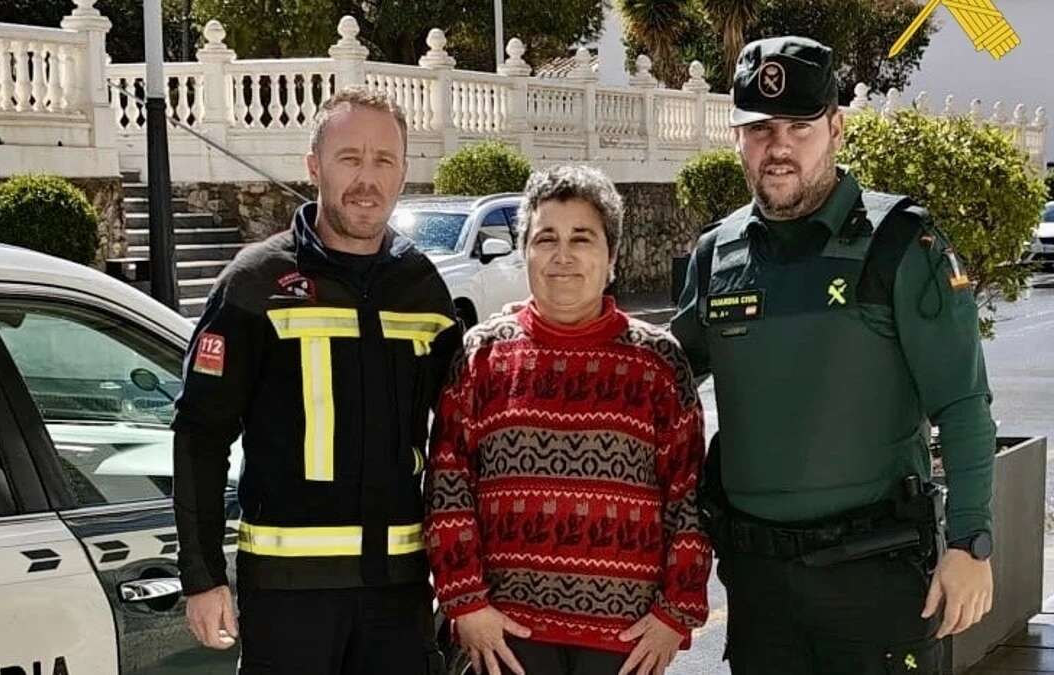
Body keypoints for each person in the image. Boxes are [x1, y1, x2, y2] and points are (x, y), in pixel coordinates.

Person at [671, 36, 996, 674]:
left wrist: (970, 541)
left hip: (875, 579)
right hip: (760, 587)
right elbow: (660, 379)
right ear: (737, 138)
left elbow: (962, 405)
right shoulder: (718, 254)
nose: (780, 146)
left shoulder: (901, 244)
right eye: (760, 128)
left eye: (800, 125)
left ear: (837, 128)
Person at [171, 87, 461, 675]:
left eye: (384, 160)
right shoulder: (254, 282)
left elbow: (462, 440)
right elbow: (201, 433)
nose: (367, 178)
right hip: (287, 600)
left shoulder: (421, 286)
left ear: (404, 172)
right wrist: (202, 578)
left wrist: (467, 582)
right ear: (313, 167)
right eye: (349, 157)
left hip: (399, 594)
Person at [426, 165, 710, 675]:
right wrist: (466, 603)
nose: (563, 256)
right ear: (524, 251)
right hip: (506, 638)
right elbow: (449, 487)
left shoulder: (658, 363)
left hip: (625, 641)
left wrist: (676, 612)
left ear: (612, 257)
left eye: (582, 238)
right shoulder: (481, 356)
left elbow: (688, 497)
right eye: (545, 239)